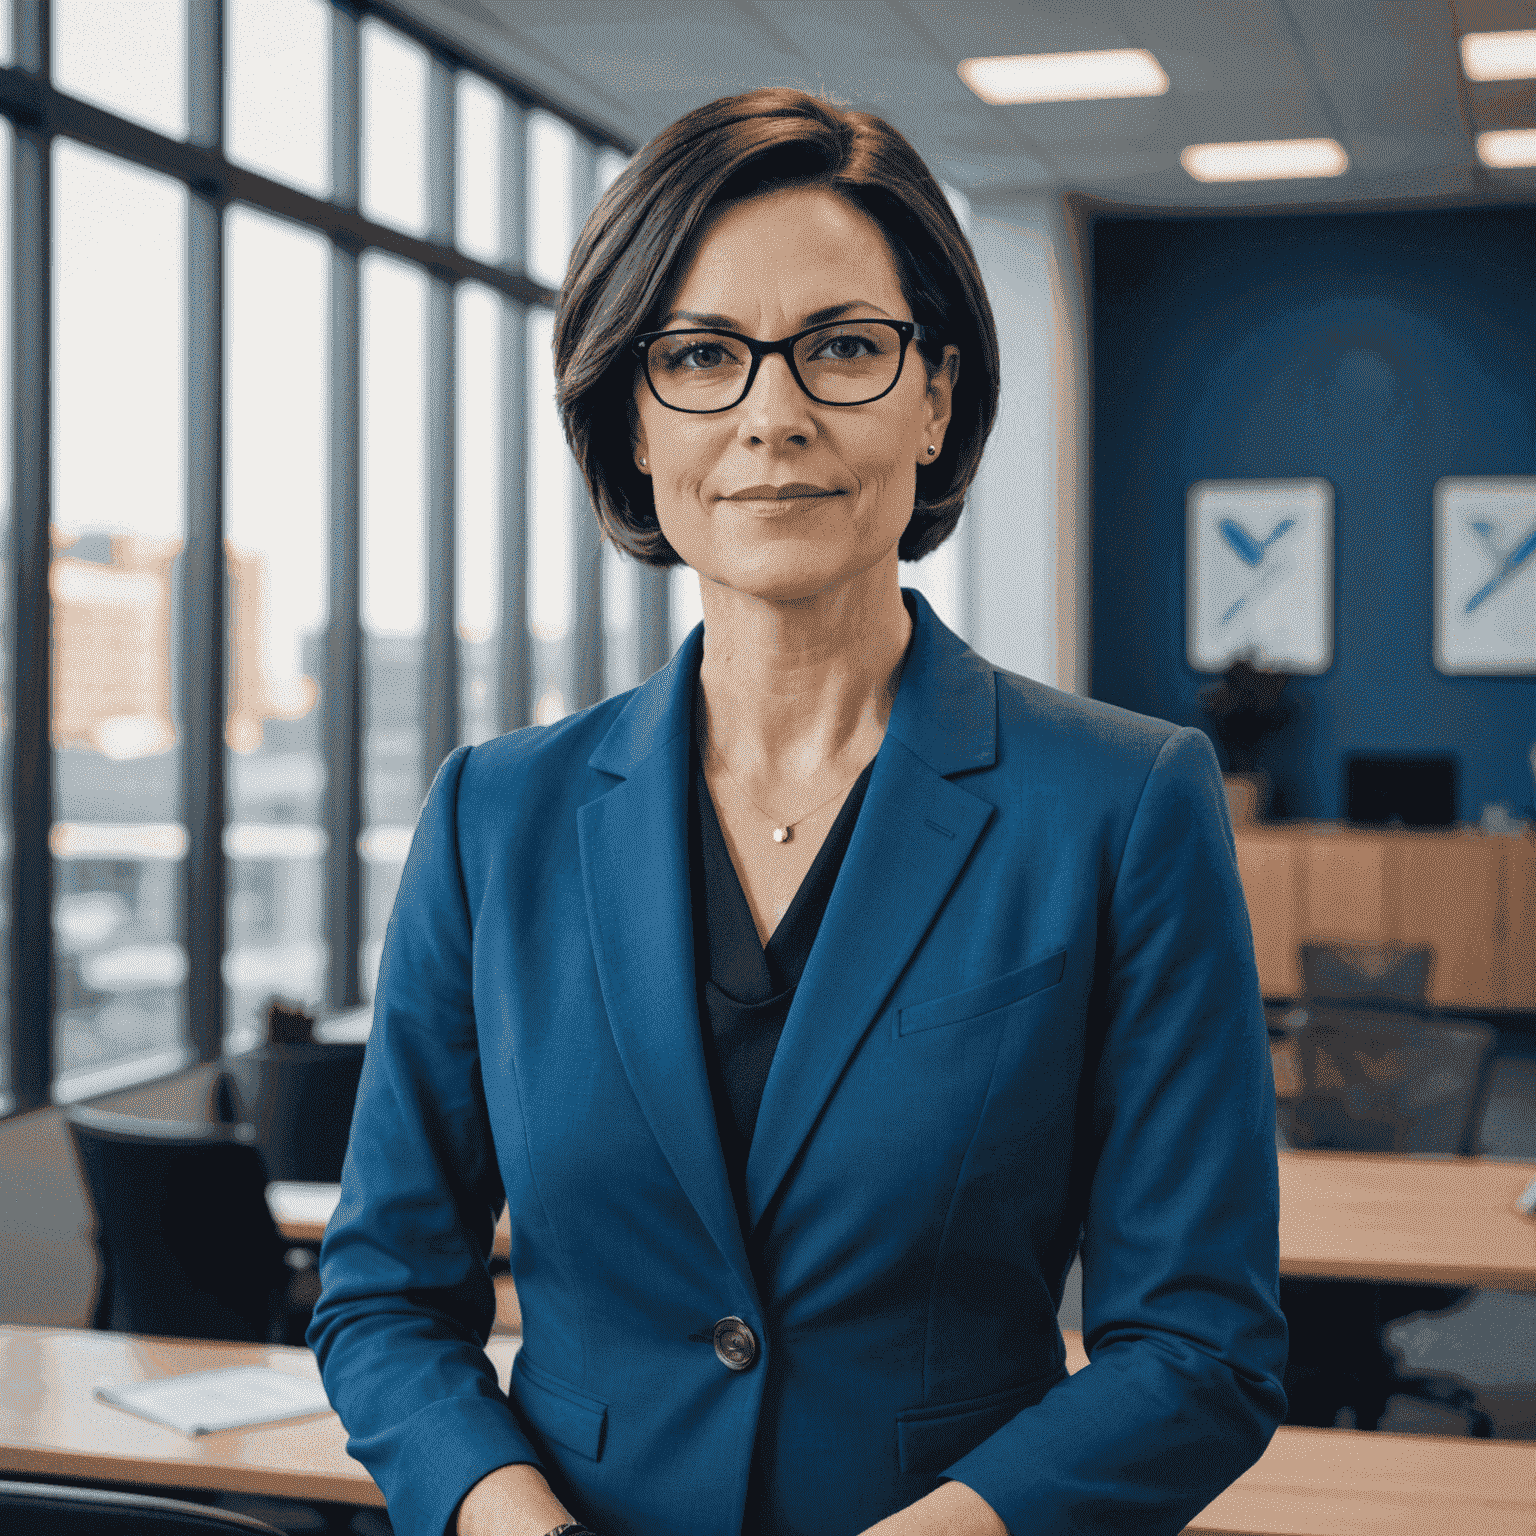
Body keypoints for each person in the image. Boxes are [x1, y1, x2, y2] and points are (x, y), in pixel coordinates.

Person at [309, 87, 1287, 1536]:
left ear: (937, 396)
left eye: (842, 347)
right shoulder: (491, 819)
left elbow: (1201, 1344)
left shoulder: (1122, 805)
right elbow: (385, 1297)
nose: (774, 414)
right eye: (700, 355)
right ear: (632, 417)